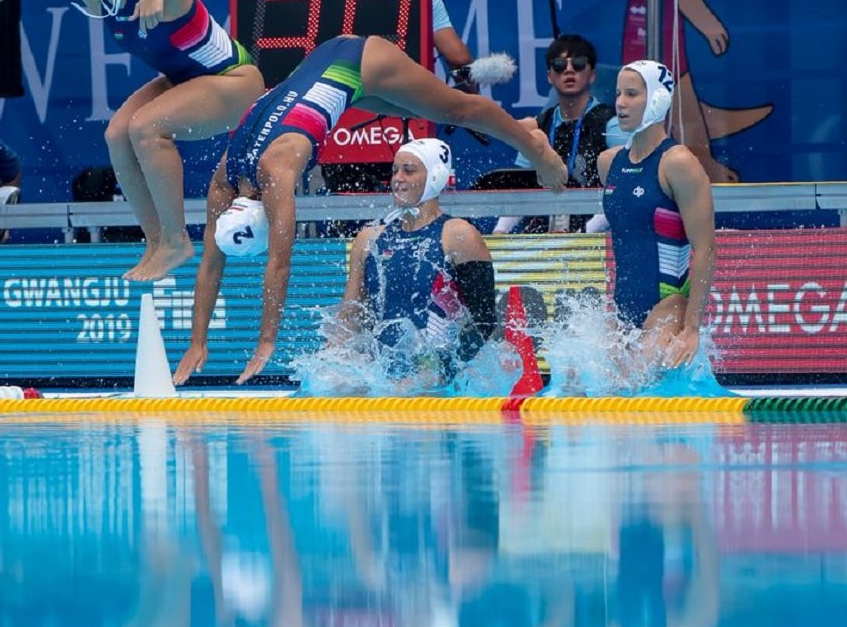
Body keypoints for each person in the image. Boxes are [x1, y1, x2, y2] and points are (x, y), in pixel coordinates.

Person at [174, 34, 566, 385]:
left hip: (360, 60)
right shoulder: (226, 178)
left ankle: (536, 149)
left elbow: (278, 263)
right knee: (422, 109)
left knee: (455, 109)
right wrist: (196, 342)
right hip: (326, 59)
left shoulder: (277, 169)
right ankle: (523, 127)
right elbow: (211, 261)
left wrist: (266, 342)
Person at [0, 0, 265, 280]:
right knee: (117, 134)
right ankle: (156, 241)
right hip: (186, 80)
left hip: (234, 82)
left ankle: (177, 240)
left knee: (146, 127)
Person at [333, 138, 499, 387]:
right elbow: (350, 316)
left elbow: (483, 320)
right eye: (394, 170)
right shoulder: (369, 238)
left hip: (439, 378)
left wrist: (439, 372)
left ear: (436, 177)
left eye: (409, 170)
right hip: (381, 375)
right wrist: (329, 363)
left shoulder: (458, 235)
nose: (397, 178)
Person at [596, 60, 715, 367]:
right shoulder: (608, 163)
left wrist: (691, 329)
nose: (620, 102)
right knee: (577, 385)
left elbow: (705, 248)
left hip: (668, 305)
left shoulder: (678, 163)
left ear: (659, 99)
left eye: (632, 94)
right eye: (619, 93)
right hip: (622, 307)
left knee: (635, 388)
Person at [496, 33, 617, 234]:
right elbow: (522, 191)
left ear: (592, 74)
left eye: (578, 63)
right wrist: (500, 231)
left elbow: (621, 190)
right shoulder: (538, 128)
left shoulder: (611, 124)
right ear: (550, 76)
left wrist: (584, 234)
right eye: (560, 65)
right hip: (546, 234)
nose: (569, 70)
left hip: (596, 236)